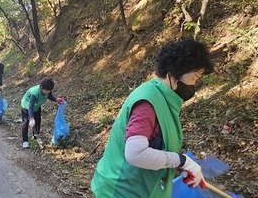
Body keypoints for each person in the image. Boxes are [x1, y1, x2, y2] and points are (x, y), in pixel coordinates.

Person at [90, 39, 214, 198]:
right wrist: (182, 161)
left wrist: (179, 165)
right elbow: (135, 154)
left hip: (137, 188)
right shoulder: (147, 103)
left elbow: (156, 143)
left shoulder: (163, 99)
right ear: (173, 73)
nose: (194, 85)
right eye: (194, 78)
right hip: (121, 191)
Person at [20, 78, 64, 149]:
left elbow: (50, 96)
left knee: (37, 122)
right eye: (47, 90)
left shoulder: (47, 90)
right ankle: (25, 141)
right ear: (42, 88)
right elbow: (30, 107)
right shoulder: (35, 93)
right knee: (26, 123)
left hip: (36, 107)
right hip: (26, 106)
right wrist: (31, 118)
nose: (48, 92)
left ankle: (35, 137)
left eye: (49, 90)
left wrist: (56, 100)